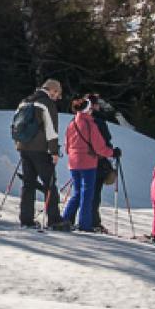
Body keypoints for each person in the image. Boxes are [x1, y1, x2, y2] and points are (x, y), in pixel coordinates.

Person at [15, 78, 69, 230]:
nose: (57, 97)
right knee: (50, 184)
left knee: (28, 184)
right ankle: (54, 220)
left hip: (24, 148)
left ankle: (26, 220)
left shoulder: (24, 102)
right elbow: (51, 131)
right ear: (52, 90)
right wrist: (54, 151)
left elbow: (16, 126)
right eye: (57, 94)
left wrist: (20, 145)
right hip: (41, 150)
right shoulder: (47, 104)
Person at [62, 97, 117, 232]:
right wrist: (112, 153)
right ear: (87, 109)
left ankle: (65, 220)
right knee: (87, 195)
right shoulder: (90, 124)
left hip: (73, 163)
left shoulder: (72, 123)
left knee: (77, 193)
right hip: (88, 163)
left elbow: (66, 146)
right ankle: (85, 225)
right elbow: (99, 147)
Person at [85, 92, 119, 233]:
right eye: (97, 104)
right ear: (94, 105)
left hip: (80, 160)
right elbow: (105, 142)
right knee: (95, 192)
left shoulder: (79, 119)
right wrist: (112, 152)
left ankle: (82, 219)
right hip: (97, 160)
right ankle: (93, 222)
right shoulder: (98, 121)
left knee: (83, 191)